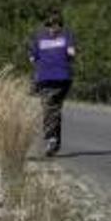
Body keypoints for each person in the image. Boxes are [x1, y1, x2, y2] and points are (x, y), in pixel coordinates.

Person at [28, 10, 77, 157]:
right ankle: (54, 141)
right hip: (46, 78)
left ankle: (51, 139)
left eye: (55, 25)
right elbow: (32, 56)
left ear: (60, 25)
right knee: (53, 109)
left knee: (50, 108)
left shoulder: (66, 35)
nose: (52, 28)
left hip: (61, 78)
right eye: (49, 25)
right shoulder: (41, 37)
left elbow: (72, 53)